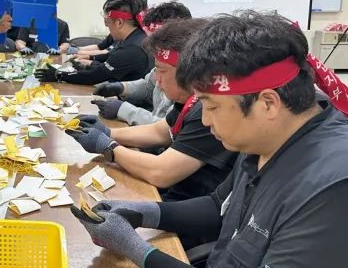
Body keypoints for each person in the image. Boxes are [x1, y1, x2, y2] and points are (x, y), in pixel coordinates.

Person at [72, 11, 348, 268]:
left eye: (212, 106)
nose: (204, 119)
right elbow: (220, 205)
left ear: (268, 103)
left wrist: (138, 250)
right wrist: (140, 212)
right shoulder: (266, 138)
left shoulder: (332, 185)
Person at [66, 19, 237, 202]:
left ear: (188, 72)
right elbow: (159, 131)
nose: (155, 79)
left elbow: (161, 172)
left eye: (161, 71)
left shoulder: (206, 111)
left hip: (188, 202)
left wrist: (108, 147)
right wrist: (107, 132)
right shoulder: (188, 102)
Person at [92, 1, 192, 125]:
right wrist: (123, 88)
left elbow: (166, 128)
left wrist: (124, 110)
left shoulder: (189, 74)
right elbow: (150, 84)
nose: (151, 46)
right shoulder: (163, 60)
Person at [35, 0, 152, 85]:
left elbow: (94, 76)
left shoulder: (131, 49)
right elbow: (111, 56)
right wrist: (89, 58)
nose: (107, 27)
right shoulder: (138, 37)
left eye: (107, 22)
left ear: (119, 22)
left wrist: (58, 74)